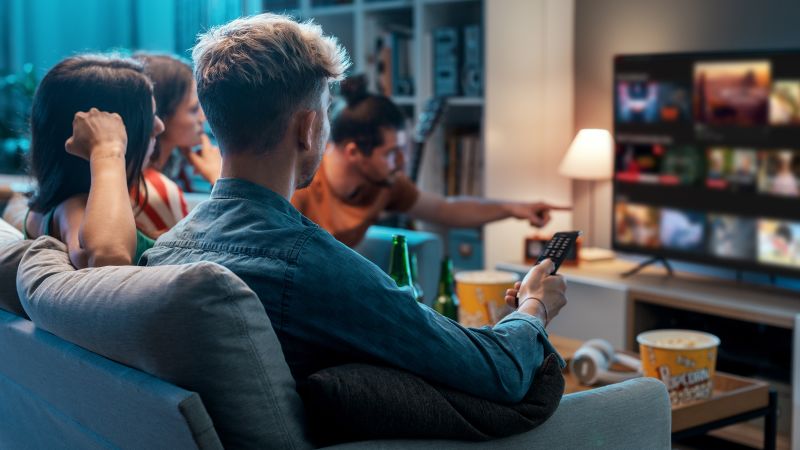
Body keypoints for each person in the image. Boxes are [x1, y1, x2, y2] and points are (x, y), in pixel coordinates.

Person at [142, 13, 568, 403]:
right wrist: (535, 306)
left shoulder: (161, 255)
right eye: (326, 112)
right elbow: (499, 372)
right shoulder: (310, 263)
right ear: (309, 127)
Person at [291, 77, 569, 247]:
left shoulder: (384, 182)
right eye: (391, 153)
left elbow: (445, 209)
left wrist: (512, 208)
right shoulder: (300, 187)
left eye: (404, 150)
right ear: (353, 152)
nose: (402, 163)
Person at [22, 55, 164, 268]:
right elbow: (108, 256)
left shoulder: (44, 209)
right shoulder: (73, 208)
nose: (159, 127)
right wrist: (108, 151)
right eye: (148, 119)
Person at [132, 53, 222, 238]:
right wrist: (219, 179)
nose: (203, 118)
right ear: (161, 118)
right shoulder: (154, 190)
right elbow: (205, 247)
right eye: (193, 109)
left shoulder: (152, 174)